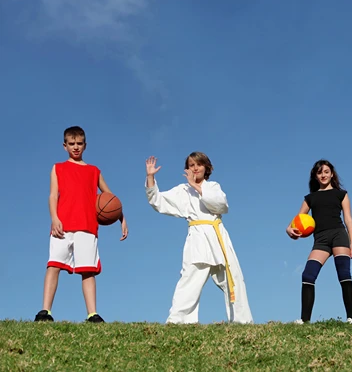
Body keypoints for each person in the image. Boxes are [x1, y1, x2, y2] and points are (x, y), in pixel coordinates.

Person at [145, 153, 253, 324]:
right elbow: (157, 201)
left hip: (218, 237)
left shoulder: (213, 186)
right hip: (197, 238)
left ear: (206, 167)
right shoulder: (183, 191)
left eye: (199, 164)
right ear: (187, 169)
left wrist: (196, 186)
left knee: (234, 279)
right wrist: (150, 177)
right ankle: (178, 321)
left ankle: (242, 321)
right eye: (191, 165)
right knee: (190, 279)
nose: (195, 168)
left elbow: (222, 205)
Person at [36, 126, 129, 323]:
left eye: (79, 144)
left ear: (85, 145)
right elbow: (53, 195)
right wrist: (54, 217)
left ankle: (92, 314)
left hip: (87, 226)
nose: (75, 147)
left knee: (88, 271)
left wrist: (121, 217)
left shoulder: (94, 171)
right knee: (53, 265)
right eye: (71, 144)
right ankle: (45, 311)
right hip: (62, 224)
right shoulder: (58, 168)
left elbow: (109, 198)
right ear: (64, 146)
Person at [286, 160, 352, 324]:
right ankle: (305, 320)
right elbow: (296, 221)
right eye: (320, 172)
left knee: (344, 275)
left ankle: (351, 318)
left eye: (326, 171)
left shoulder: (341, 194)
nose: (323, 175)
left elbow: (348, 219)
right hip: (320, 239)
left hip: (339, 235)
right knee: (307, 275)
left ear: (332, 174)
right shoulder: (310, 198)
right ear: (315, 176)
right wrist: (289, 230)